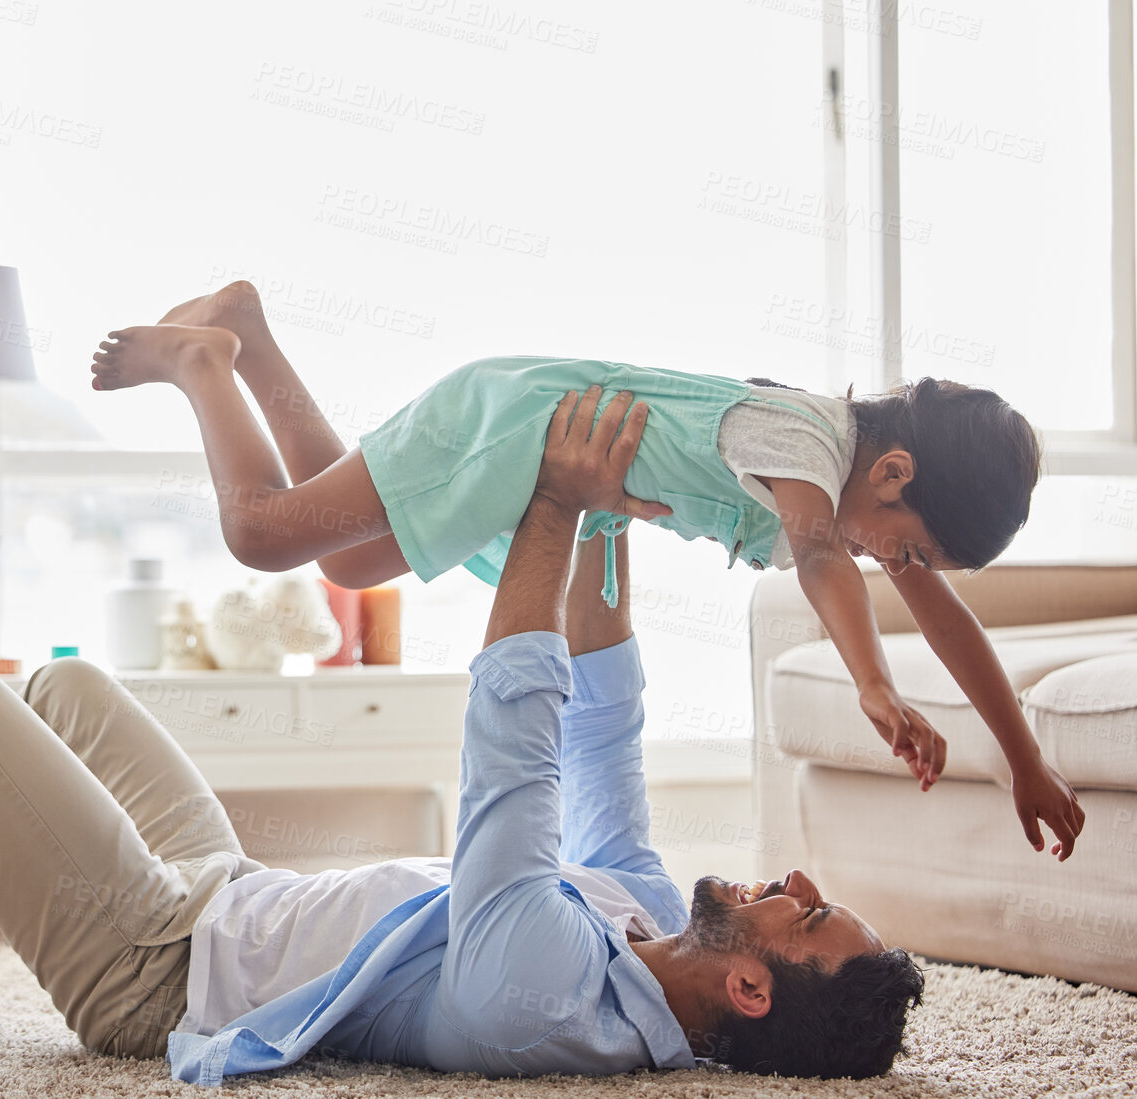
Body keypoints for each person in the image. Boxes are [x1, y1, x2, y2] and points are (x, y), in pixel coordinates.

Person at [0, 387, 924, 1083]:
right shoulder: (637, 914)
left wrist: (541, 505)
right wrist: (604, 519)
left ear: (747, 988)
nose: (795, 883)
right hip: (226, 894)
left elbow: (513, 755)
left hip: (156, 967)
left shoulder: (551, 998)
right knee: (65, 691)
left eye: (804, 917)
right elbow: (600, 731)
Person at [90, 281, 1084, 860]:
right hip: (528, 431)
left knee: (347, 556)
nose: (896, 566)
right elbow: (822, 554)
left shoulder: (855, 476)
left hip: (540, 437)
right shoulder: (811, 442)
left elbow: (944, 615)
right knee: (265, 535)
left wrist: (1026, 761)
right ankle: (205, 365)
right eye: (904, 545)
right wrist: (871, 682)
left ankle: (249, 336)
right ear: (896, 472)